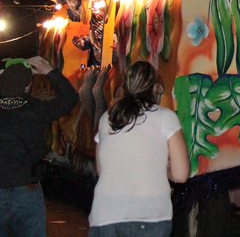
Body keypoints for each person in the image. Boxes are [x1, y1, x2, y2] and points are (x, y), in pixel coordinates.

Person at [89, 61, 189, 237]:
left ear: (125, 86)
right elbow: (180, 175)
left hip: (105, 214)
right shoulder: (166, 117)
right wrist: (163, 167)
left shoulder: (108, 118)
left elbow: (101, 169)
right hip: (149, 215)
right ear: (154, 88)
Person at [0, 56, 79, 237]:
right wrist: (49, 72)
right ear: (28, 86)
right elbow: (70, 98)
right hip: (27, 191)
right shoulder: (37, 110)